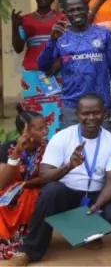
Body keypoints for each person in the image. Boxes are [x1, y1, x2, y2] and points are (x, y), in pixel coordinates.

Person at [11, 94, 111, 266]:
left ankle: (89, 234)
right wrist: (69, 166)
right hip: (67, 195)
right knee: (51, 191)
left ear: (104, 113)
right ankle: (29, 250)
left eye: (96, 113)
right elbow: (45, 176)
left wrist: (98, 205)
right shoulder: (62, 137)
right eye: (86, 113)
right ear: (77, 115)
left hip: (95, 196)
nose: (91, 118)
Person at [37, 0, 111, 135]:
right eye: (71, 10)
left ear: (86, 9)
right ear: (65, 13)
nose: (76, 13)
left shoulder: (103, 34)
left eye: (79, 9)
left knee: (109, 149)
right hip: (72, 106)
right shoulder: (60, 36)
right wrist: (52, 40)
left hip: (101, 105)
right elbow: (43, 66)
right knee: (72, 151)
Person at [12, 0, 65, 138]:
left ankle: (53, 147)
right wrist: (14, 26)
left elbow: (68, 45)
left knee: (56, 111)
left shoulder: (62, 18)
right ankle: (35, 149)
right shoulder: (24, 19)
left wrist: (58, 63)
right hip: (32, 74)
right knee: (33, 113)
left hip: (54, 72)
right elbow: (18, 47)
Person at [0, 109, 48, 260]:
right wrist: (16, 153)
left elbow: (48, 177)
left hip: (34, 190)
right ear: (24, 131)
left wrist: (25, 184)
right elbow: (2, 182)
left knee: (32, 197)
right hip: (10, 191)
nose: (45, 131)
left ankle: (27, 243)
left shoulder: (48, 147)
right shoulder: (8, 148)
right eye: (40, 129)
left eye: (45, 127)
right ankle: (6, 241)